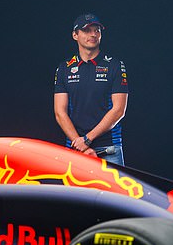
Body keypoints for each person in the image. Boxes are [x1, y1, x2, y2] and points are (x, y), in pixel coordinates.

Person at [53, 13, 128, 165]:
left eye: (97, 30)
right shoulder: (64, 68)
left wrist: (87, 140)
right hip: (75, 148)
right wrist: (80, 144)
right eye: (87, 30)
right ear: (75, 35)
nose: (93, 34)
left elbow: (119, 110)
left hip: (109, 149)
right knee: (74, 190)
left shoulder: (114, 65)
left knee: (113, 190)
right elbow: (60, 112)